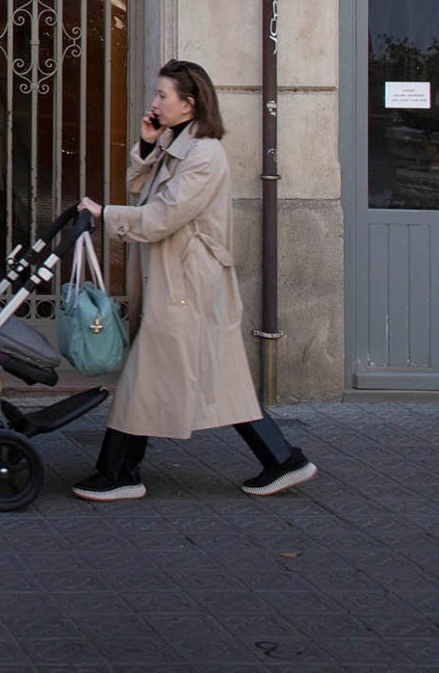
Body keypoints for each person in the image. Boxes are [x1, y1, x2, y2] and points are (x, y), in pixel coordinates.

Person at [69, 59, 318, 501]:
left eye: (163, 95)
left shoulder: (204, 155)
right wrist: (146, 147)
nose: (154, 102)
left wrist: (104, 215)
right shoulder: (179, 144)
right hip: (181, 280)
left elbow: (163, 216)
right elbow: (140, 190)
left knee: (144, 379)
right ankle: (282, 459)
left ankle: (120, 472)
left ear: (189, 104)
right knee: (223, 381)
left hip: (187, 285)